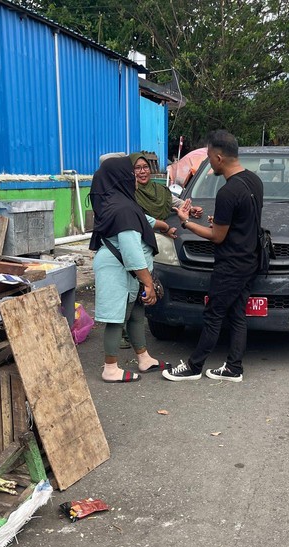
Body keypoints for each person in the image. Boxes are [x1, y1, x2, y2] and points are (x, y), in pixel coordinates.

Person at [162, 130, 263, 383]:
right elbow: (243, 221)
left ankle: (194, 366)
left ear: (219, 157)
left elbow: (217, 237)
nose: (209, 162)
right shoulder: (254, 181)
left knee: (214, 314)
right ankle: (233, 368)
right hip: (250, 259)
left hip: (231, 265)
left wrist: (186, 223)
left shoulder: (228, 192)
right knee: (237, 314)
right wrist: (219, 221)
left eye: (208, 156)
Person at [89, 156, 171, 383]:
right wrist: (148, 282)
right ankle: (110, 368)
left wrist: (165, 226)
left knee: (136, 313)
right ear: (119, 177)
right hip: (118, 269)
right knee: (116, 319)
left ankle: (144, 358)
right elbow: (131, 251)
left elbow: (144, 220)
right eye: (131, 172)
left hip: (125, 270)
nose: (135, 176)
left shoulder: (117, 201)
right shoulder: (122, 208)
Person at [129, 152, 203, 220]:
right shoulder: (128, 192)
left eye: (146, 167)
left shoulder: (159, 189)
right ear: (130, 171)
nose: (143, 171)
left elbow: (175, 202)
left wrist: (190, 209)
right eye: (137, 168)